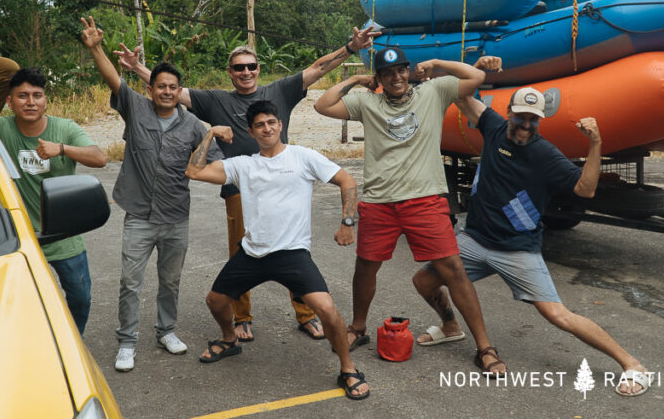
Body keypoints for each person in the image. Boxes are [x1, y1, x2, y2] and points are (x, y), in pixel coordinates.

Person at [116, 27, 376, 342]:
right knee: (241, 254)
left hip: (284, 189)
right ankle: (242, 317)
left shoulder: (280, 91)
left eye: (251, 66)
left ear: (259, 69)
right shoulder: (214, 100)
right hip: (239, 191)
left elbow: (318, 68)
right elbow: (169, 90)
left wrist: (351, 46)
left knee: (293, 254)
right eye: (239, 67)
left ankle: (306, 314)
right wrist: (137, 69)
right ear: (230, 72)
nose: (246, 72)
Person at [412, 85, 651, 396]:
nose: (526, 125)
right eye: (521, 117)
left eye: (533, 120)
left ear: (539, 121)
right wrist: (477, 68)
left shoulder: (544, 153)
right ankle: (449, 326)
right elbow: (461, 94)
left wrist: (596, 143)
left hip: (517, 249)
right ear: (509, 113)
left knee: (557, 314)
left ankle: (632, 364)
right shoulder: (494, 127)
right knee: (423, 282)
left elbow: (585, 189)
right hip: (474, 239)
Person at [313, 48, 506, 375]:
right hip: (379, 202)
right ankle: (358, 328)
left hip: (425, 199)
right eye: (388, 73)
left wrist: (439, 64)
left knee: (453, 270)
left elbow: (476, 77)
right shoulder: (368, 103)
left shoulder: (434, 91)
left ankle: (485, 347)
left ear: (409, 71)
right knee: (365, 267)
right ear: (380, 78)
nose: (397, 77)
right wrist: (358, 80)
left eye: (401, 70)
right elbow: (323, 104)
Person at [185, 100, 370, 400]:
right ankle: (230, 339)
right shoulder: (244, 165)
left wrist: (348, 222)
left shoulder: (303, 157)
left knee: (327, 311)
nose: (267, 128)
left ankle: (348, 368)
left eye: (271, 122)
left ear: (280, 124)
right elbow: (194, 172)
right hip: (252, 253)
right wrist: (210, 134)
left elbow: (346, 180)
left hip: (292, 254)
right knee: (215, 301)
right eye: (260, 125)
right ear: (251, 131)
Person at [80, 17, 221, 373]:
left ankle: (166, 330)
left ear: (179, 90)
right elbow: (113, 78)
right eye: (161, 86)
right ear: (151, 89)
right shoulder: (135, 108)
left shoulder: (193, 126)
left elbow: (212, 166)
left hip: (176, 217)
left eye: (173, 87)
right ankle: (127, 341)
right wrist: (96, 47)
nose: (167, 92)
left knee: (170, 281)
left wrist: (212, 144)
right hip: (140, 216)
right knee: (131, 280)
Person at [0, 67, 107, 335]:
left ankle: (73, 344)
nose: (30, 102)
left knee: (80, 299)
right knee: (19, 302)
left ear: (45, 100)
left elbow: (99, 158)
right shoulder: (1, 128)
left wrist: (62, 149)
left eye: (37, 95)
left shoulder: (65, 128)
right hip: (21, 237)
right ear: (9, 102)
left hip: (64, 235)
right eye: (22, 96)